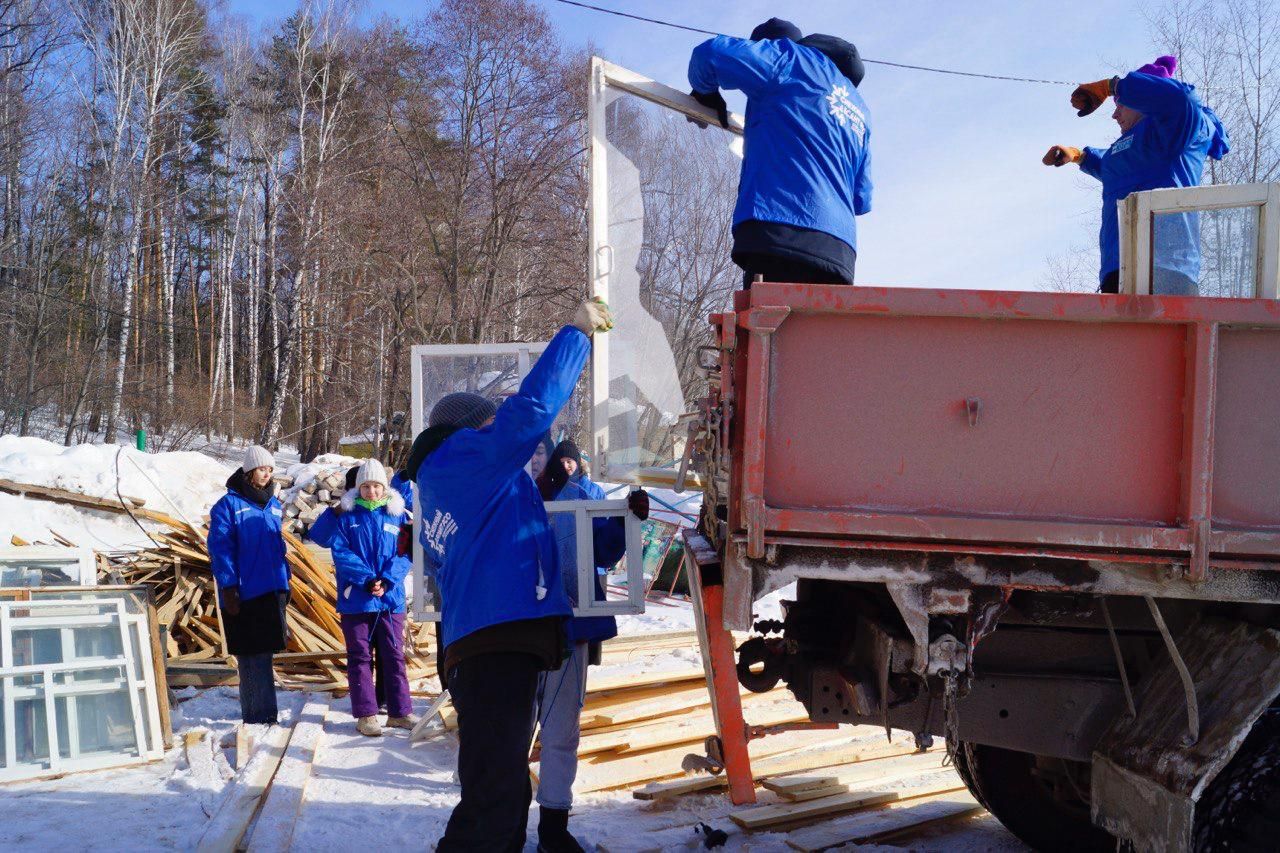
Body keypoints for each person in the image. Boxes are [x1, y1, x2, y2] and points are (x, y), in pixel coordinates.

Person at [416, 297, 614, 852]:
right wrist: (576, 335)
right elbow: (530, 411)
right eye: (488, 425)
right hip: (496, 643)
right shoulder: (469, 456)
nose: (496, 434)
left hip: (482, 642)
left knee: (489, 783)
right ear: (469, 430)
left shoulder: (443, 481)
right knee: (499, 793)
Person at [688, 18, 872, 288]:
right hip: (840, 252)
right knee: (816, 329)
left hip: (778, 229)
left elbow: (709, 54)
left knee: (769, 328)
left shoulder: (790, 58)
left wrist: (705, 93)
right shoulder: (861, 111)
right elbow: (861, 198)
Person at [532, 451, 649, 852]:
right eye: (529, 452)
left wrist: (625, 519)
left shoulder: (581, 498)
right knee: (508, 732)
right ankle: (505, 822)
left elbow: (605, 552)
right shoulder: (501, 494)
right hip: (509, 633)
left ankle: (552, 827)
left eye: (543, 454)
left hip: (567, 629)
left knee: (561, 730)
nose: (538, 462)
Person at [1043, 55, 1229, 294]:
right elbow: (1113, 167)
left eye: (1120, 105)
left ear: (1145, 100)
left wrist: (1111, 86)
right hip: (1116, 269)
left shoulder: (1177, 128)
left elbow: (1181, 99)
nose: (1114, 114)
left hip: (1165, 268)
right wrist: (1079, 156)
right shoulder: (1130, 144)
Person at [330, 459, 416, 737]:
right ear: (358, 488)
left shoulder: (399, 515)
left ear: (385, 487)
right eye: (365, 486)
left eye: (377, 486)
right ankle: (366, 714)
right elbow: (341, 554)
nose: (371, 491)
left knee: (394, 655)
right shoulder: (347, 516)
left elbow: (406, 552)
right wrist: (366, 580)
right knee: (360, 656)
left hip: (390, 600)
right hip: (357, 598)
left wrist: (388, 579)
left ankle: (399, 712)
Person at [208, 445, 290, 725]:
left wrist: (284, 582)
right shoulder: (228, 505)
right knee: (250, 655)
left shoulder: (274, 505)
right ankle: (256, 716)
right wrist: (228, 585)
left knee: (264, 653)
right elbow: (220, 548)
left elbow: (277, 546)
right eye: (261, 469)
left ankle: (267, 713)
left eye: (270, 469)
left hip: (271, 588)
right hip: (243, 592)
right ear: (248, 471)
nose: (266, 474)